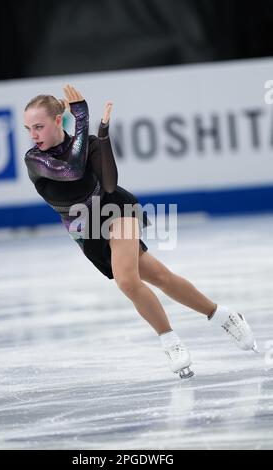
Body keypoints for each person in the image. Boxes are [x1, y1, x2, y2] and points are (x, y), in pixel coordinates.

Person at [24, 84, 258, 379]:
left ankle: (170, 341)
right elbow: (69, 170)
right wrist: (82, 121)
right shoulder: (34, 160)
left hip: (114, 209)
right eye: (29, 129)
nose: (33, 135)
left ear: (58, 120)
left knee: (126, 280)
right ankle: (222, 314)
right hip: (87, 232)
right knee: (161, 277)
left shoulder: (89, 142)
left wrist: (101, 134)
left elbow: (109, 185)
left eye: (39, 127)